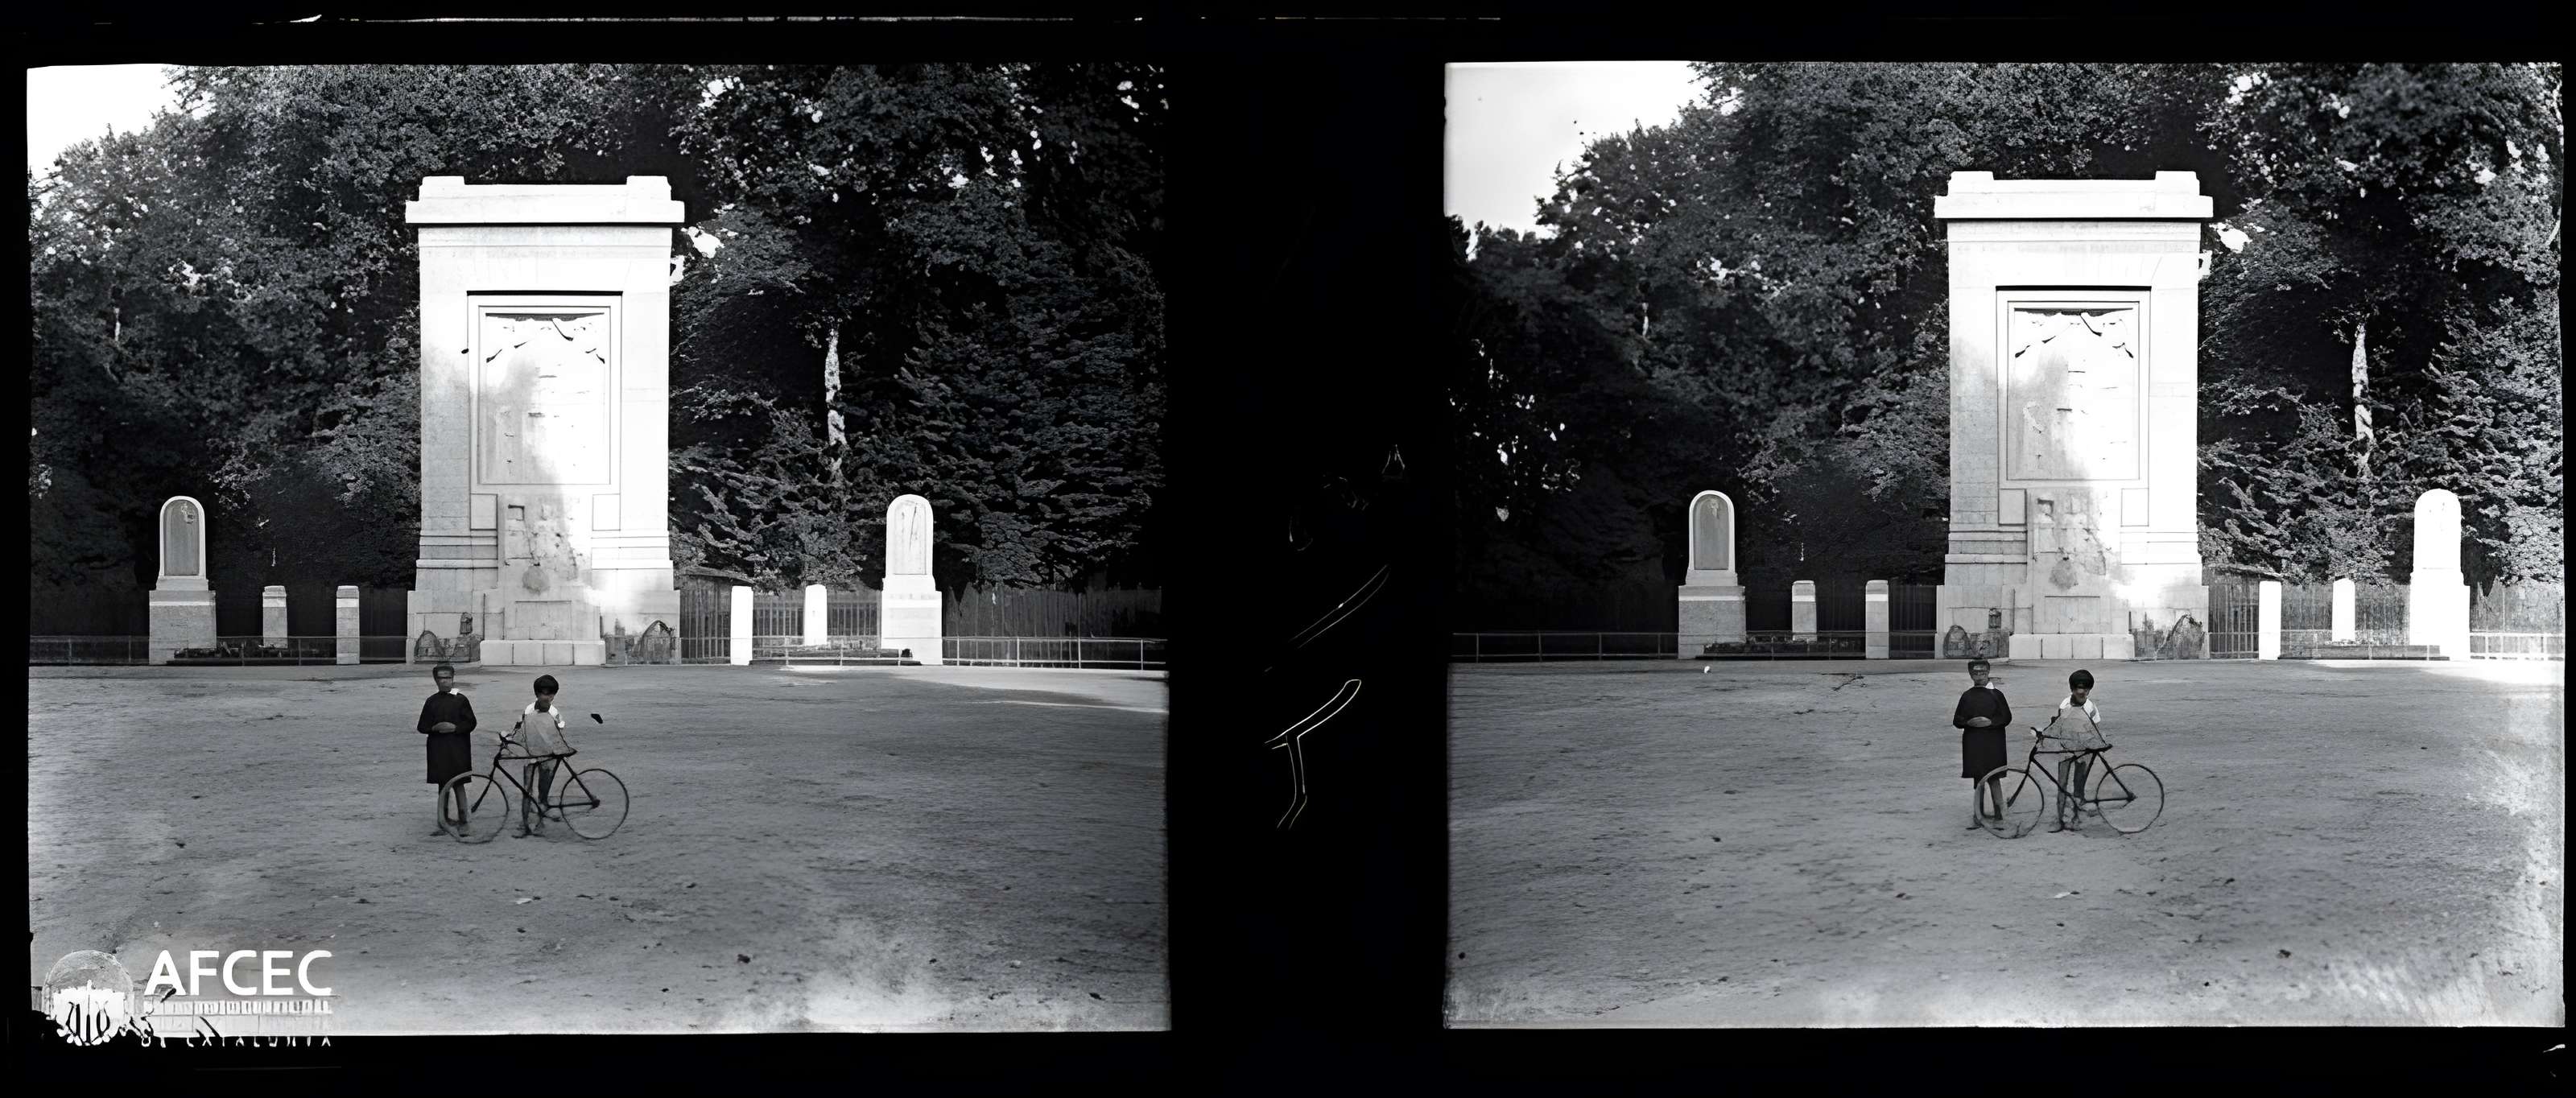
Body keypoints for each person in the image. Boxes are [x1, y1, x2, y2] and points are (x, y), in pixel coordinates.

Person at [416, 663, 478, 837]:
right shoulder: (431, 702)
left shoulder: (461, 700)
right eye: (441, 678)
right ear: (435, 680)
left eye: (448, 678)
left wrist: (455, 728)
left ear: (453, 679)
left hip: (458, 749)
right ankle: (442, 821)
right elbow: (422, 726)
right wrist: (434, 728)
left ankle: (464, 821)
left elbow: (471, 723)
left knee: (459, 784)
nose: (445, 681)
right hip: (438, 750)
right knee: (442, 786)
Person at [512, 675, 577, 836]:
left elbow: (559, 732)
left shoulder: (554, 713)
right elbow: (520, 729)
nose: (546, 697)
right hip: (530, 755)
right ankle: (525, 824)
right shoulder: (529, 710)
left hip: (549, 756)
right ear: (537, 694)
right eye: (543, 693)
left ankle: (540, 822)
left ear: (554, 696)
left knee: (544, 789)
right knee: (527, 790)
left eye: (550, 694)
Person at [1953, 658, 2013, 828]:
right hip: (1974, 744)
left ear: (1988, 673)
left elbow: (2006, 717)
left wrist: (1990, 723)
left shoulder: (1997, 695)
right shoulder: (1967, 696)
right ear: (1971, 675)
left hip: (1994, 743)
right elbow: (1957, 720)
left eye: (1983, 673)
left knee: (1994, 779)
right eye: (1976, 673)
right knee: (1978, 781)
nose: (1979, 677)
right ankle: (1978, 816)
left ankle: (1999, 816)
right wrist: (1969, 723)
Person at [2050, 669, 2105, 832]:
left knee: (2079, 783)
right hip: (2065, 749)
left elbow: (2096, 728)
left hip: (2083, 750)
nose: (2081, 693)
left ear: (2089, 690)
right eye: (2078, 689)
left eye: (2085, 690)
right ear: (2072, 689)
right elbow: (2059, 725)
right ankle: (2060, 818)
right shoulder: (2065, 705)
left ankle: (2076, 817)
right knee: (2062, 783)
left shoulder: (2091, 707)